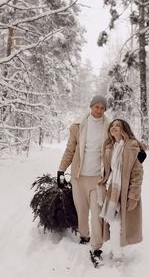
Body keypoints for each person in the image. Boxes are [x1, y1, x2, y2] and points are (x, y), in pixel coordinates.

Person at [57, 95, 111, 264]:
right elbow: (70, 149)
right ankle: (84, 235)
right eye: (97, 107)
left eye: (102, 108)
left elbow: (123, 142)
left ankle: (96, 248)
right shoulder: (78, 126)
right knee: (82, 210)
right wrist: (61, 170)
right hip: (79, 177)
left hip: (98, 178)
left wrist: (138, 151)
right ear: (91, 107)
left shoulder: (110, 127)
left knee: (97, 215)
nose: (99, 111)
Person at [97, 119, 144, 267]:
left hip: (124, 192)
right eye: (112, 125)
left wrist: (133, 196)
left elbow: (137, 174)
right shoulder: (110, 147)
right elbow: (107, 169)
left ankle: (117, 256)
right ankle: (116, 250)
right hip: (113, 190)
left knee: (116, 224)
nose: (114, 128)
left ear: (124, 129)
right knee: (111, 222)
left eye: (118, 125)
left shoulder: (131, 147)